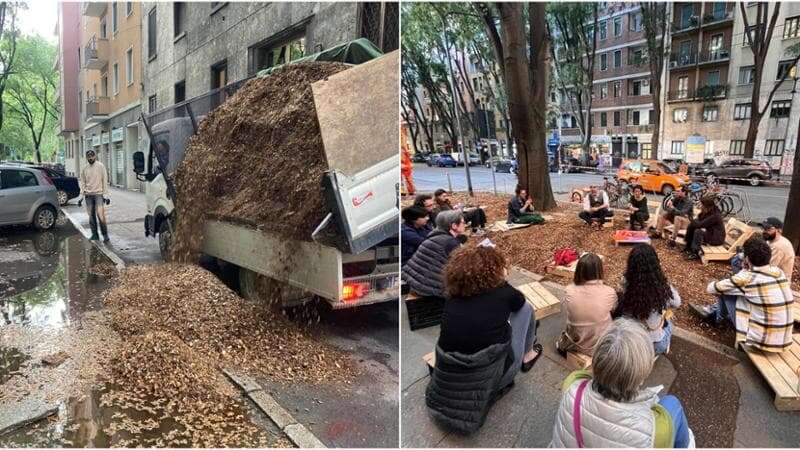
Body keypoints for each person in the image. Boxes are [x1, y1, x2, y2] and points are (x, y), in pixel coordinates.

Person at [426, 243, 542, 434]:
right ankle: (528, 354)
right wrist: (503, 280)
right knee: (526, 309)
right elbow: (519, 301)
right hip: (492, 379)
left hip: (447, 379)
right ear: (495, 270)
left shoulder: (453, 296)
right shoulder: (504, 293)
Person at [550, 318, 695, 448]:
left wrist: (608, 366)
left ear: (597, 358)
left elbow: (587, 375)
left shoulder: (572, 384)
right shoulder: (656, 429)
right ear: (642, 373)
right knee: (672, 403)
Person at [691, 236, 794, 352]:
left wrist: (745, 270)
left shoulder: (748, 278)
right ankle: (718, 315)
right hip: (784, 341)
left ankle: (717, 318)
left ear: (747, 259)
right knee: (741, 293)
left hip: (760, 343)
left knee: (726, 291)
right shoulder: (778, 272)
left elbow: (711, 288)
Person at [616, 244, 681, 355]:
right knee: (669, 322)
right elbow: (677, 303)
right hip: (652, 346)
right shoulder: (662, 288)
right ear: (655, 264)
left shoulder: (625, 282)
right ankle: (662, 347)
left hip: (630, 341)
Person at [556, 253, 617, 357]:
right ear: (599, 271)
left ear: (579, 270)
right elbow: (614, 310)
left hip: (574, 344)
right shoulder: (610, 292)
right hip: (600, 347)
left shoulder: (569, 291)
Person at [403, 210, 466, 299]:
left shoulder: (434, 235)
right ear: (454, 226)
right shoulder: (449, 242)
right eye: (463, 222)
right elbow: (463, 267)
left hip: (416, 282)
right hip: (431, 289)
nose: (465, 225)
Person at [79, 149, 110, 242]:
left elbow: (104, 180)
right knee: (91, 217)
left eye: (92, 156)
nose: (90, 158)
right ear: (86, 157)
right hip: (88, 195)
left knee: (100, 215)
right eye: (88, 156)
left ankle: (105, 235)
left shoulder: (100, 166)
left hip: (98, 194)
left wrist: (106, 195)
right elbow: (83, 182)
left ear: (95, 156)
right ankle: (95, 234)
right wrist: (81, 196)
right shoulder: (84, 168)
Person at [681, 196, 725, 260]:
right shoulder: (707, 211)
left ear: (706, 206)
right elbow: (699, 219)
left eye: (701, 204)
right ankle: (688, 246)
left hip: (716, 238)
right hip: (711, 233)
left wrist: (690, 217)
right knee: (691, 226)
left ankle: (695, 253)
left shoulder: (715, 215)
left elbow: (700, 225)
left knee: (698, 231)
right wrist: (693, 220)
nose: (700, 205)